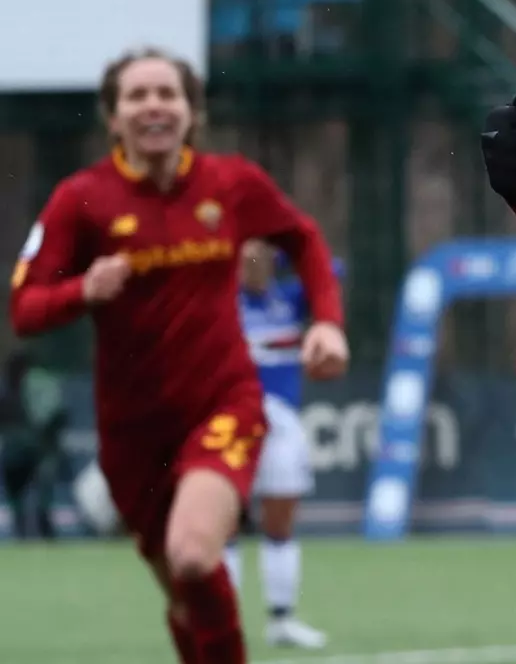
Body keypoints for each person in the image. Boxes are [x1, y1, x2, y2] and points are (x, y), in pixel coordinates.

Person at [10, 47, 348, 664]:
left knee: (195, 553)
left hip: (223, 403)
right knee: (186, 598)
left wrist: (327, 322)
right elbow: (24, 309)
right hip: (131, 434)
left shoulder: (231, 184)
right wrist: (81, 290)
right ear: (112, 118)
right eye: (137, 96)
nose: (154, 106)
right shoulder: (81, 199)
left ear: (193, 112)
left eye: (168, 93)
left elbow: (302, 237)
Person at [223, 239, 332, 650]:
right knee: (225, 523)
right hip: (233, 419)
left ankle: (281, 619)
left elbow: (330, 269)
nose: (252, 266)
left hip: (282, 422)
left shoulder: (287, 300)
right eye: (244, 259)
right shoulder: (223, 302)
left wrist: (279, 251)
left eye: (260, 259)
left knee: (281, 520)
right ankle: (223, 622)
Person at [0, 347, 69, 541]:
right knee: (21, 496)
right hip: (21, 453)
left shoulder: (37, 383)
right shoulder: (12, 394)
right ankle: (27, 529)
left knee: (42, 497)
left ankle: (40, 527)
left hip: (38, 450)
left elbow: (55, 416)